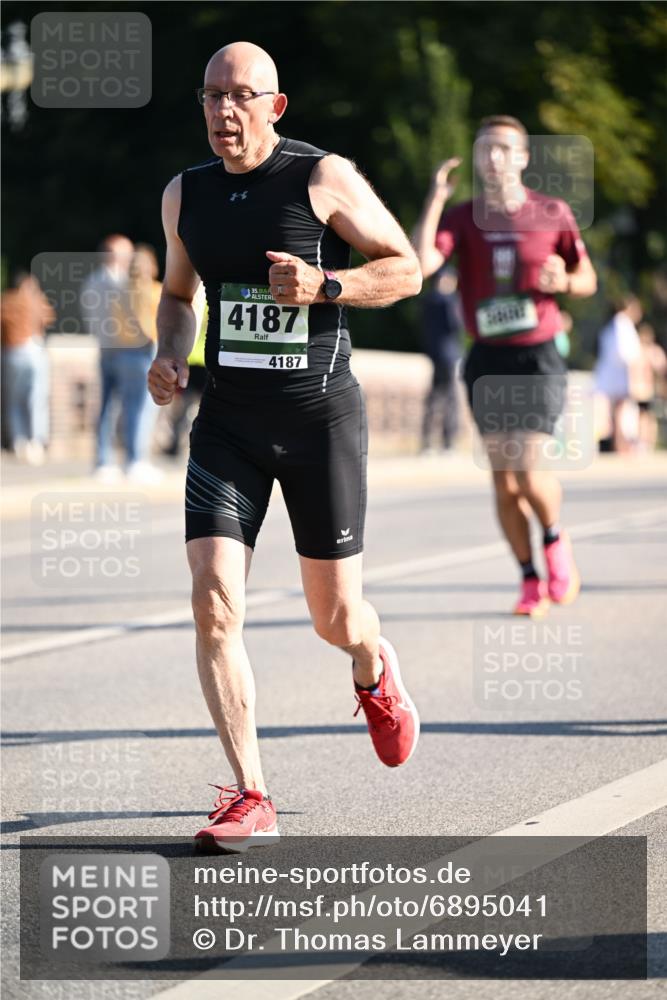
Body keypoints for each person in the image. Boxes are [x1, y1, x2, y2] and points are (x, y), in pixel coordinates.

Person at [147, 41, 422, 852]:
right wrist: (169, 353)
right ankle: (249, 793)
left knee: (333, 618)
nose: (223, 111)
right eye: (210, 96)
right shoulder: (184, 194)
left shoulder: (320, 178)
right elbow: (175, 295)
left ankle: (372, 662)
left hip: (317, 424)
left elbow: (405, 268)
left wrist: (326, 285)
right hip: (228, 426)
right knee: (212, 602)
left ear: (276, 105)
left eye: (241, 96)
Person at [413, 116, 597, 617]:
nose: (491, 158)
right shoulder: (461, 216)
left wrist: (565, 281)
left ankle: (556, 541)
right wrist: (434, 198)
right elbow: (421, 262)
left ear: (522, 158)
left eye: (501, 149)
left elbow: (588, 280)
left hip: (536, 354)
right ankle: (529, 577)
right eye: (483, 149)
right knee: (502, 480)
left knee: (528, 468)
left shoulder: (552, 212)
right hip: (487, 358)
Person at [82, 234, 160, 482]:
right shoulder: (122, 283)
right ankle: (133, 460)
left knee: (106, 407)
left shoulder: (92, 282)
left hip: (107, 349)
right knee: (134, 407)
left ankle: (104, 461)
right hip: (131, 350)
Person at [0, 271, 54, 464]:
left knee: (14, 401)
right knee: (36, 399)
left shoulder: (4, 302)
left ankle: (19, 442)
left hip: (11, 353)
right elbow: (48, 318)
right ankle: (36, 442)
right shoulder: (33, 300)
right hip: (33, 350)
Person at [419, 267, 462, 453]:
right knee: (450, 399)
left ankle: (427, 441)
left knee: (434, 398)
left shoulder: (427, 300)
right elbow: (456, 325)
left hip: (434, 354)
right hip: (449, 355)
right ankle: (448, 442)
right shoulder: (449, 301)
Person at [594, 294, 643, 454]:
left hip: (612, 375)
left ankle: (618, 444)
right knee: (621, 410)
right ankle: (621, 445)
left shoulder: (614, 324)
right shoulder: (622, 324)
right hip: (619, 375)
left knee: (617, 411)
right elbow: (626, 354)